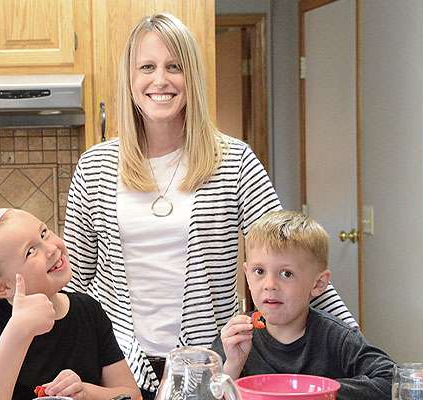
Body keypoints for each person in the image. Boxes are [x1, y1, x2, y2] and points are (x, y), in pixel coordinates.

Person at [63, 13, 358, 398]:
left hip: (210, 369)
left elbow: (294, 261)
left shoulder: (234, 162)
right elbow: (75, 285)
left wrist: (359, 350)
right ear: (130, 79)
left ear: (192, 79)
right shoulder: (96, 166)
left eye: (174, 67)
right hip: (115, 370)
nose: (160, 80)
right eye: (147, 67)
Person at [0, 208, 141, 400]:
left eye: (44, 233)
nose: (51, 248)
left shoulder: (88, 309)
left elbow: (132, 395)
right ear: (3, 288)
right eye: (30, 252)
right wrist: (19, 329)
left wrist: (85, 392)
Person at [211, 210, 395, 399]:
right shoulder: (234, 339)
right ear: (247, 274)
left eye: (286, 274)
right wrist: (233, 366)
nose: (269, 285)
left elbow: (390, 379)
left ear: (318, 284)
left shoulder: (337, 338)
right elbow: (199, 392)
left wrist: (318, 392)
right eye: (259, 271)